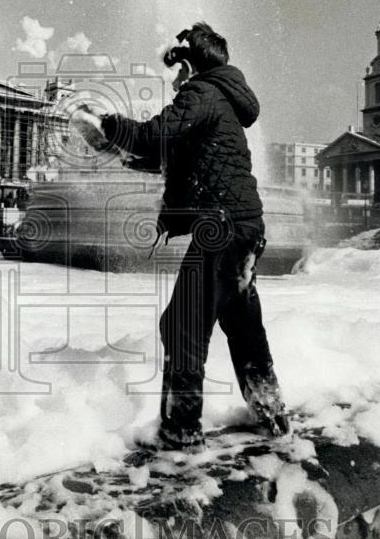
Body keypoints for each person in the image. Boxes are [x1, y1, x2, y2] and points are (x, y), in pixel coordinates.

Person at [81, 23, 287, 450]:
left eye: (175, 72)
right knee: (241, 322)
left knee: (182, 325)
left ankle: (181, 431)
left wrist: (105, 122)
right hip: (245, 225)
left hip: (222, 227)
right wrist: (122, 153)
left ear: (189, 66)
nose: (173, 82)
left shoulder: (201, 93)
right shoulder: (224, 99)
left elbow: (155, 134)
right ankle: (271, 413)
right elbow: (172, 153)